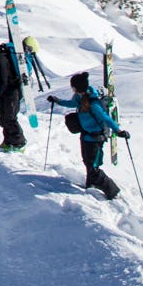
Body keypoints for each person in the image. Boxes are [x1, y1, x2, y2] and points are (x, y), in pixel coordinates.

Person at [49, 72, 130, 200]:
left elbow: (105, 118)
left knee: (93, 167)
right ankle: (91, 185)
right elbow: (72, 104)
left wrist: (118, 130)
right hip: (86, 136)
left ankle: (113, 192)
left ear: (78, 87)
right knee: (88, 162)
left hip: (95, 138)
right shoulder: (79, 97)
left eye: (73, 87)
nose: (72, 89)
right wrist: (57, 101)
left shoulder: (93, 103)